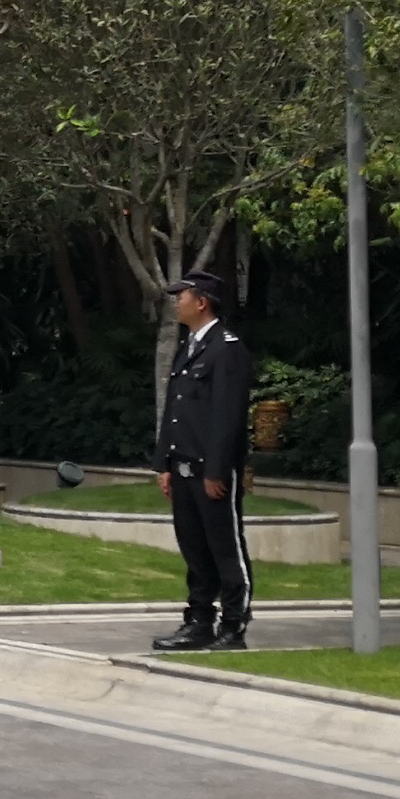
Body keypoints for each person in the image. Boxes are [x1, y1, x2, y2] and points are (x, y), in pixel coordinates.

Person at [149, 269, 254, 653]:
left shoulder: (226, 349)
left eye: (182, 296)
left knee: (225, 549)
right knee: (194, 550)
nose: (177, 303)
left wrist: (216, 469)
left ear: (202, 302)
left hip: (210, 470)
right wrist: (164, 463)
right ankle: (199, 622)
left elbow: (228, 415)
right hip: (183, 467)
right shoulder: (189, 346)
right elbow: (175, 410)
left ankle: (233, 625)